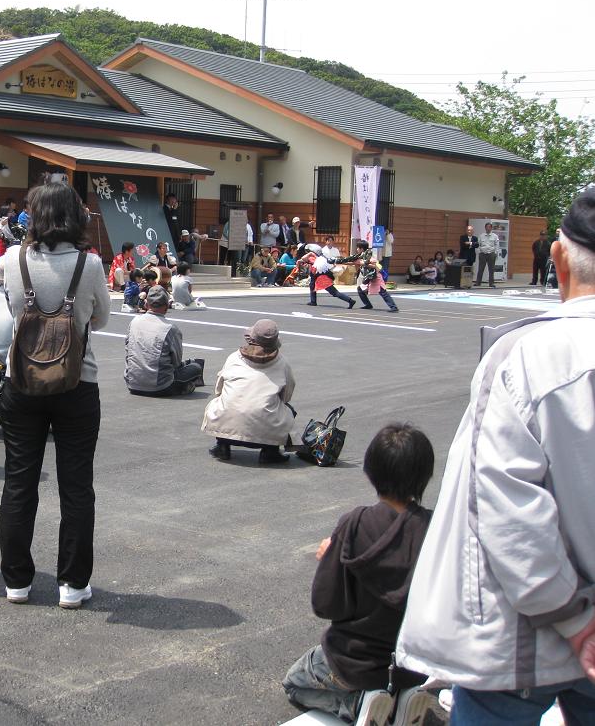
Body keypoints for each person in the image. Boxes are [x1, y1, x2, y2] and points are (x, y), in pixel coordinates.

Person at [396, 187, 595, 723]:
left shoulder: (527, 354)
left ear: (558, 259)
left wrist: (576, 619)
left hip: (525, 635)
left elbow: (504, 506)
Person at [0, 182, 110, 608]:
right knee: (76, 485)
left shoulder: (13, 258)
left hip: (21, 380)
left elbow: (8, 308)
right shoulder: (89, 264)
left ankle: (17, 582)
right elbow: (101, 318)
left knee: (19, 482)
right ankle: (73, 585)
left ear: (35, 215)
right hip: (77, 382)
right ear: (75, 216)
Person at [283, 424, 437, 725]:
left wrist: (331, 557)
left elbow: (326, 604)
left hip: (353, 659)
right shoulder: (437, 528)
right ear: (425, 475)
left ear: (370, 471)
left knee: (294, 683)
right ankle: (403, 698)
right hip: (413, 663)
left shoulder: (354, 524)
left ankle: (359, 704)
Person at [202, 319, 295, 464]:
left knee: (221, 402)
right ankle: (270, 452)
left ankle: (222, 446)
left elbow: (218, 390)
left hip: (226, 429)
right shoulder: (282, 362)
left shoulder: (234, 357)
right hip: (264, 434)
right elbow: (287, 396)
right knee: (289, 410)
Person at [124, 285, 204, 397]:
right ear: (166, 307)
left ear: (146, 304)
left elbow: (128, 350)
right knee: (196, 367)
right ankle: (183, 387)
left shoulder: (134, 322)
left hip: (133, 383)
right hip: (160, 386)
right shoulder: (170, 329)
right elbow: (176, 362)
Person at [336, 240, 399, 312]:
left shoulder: (369, 257)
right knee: (360, 289)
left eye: (358, 248)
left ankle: (394, 307)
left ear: (362, 249)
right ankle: (368, 305)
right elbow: (353, 262)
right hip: (368, 278)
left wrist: (363, 263)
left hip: (376, 277)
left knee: (383, 292)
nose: (357, 249)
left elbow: (375, 266)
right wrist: (339, 261)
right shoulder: (360, 257)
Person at [474, 222, 500, 287]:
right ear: (485, 228)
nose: (488, 228)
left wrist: (495, 253)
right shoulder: (481, 235)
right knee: (480, 268)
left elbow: (497, 245)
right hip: (483, 254)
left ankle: (491, 283)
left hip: (491, 253)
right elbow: (478, 244)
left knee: (491, 269)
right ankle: (478, 282)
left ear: (491, 228)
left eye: (489, 227)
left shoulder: (495, 236)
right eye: (487, 227)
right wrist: (479, 252)